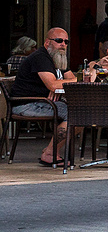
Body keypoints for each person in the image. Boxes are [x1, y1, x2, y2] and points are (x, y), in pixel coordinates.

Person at [12, 29, 77, 166]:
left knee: (83, 113)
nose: (63, 44)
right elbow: (53, 85)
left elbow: (71, 79)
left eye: (66, 41)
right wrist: (59, 85)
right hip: (26, 104)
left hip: (44, 102)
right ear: (47, 42)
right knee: (77, 114)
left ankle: (51, 150)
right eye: (59, 40)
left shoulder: (58, 58)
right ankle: (49, 153)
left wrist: (61, 85)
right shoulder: (40, 57)